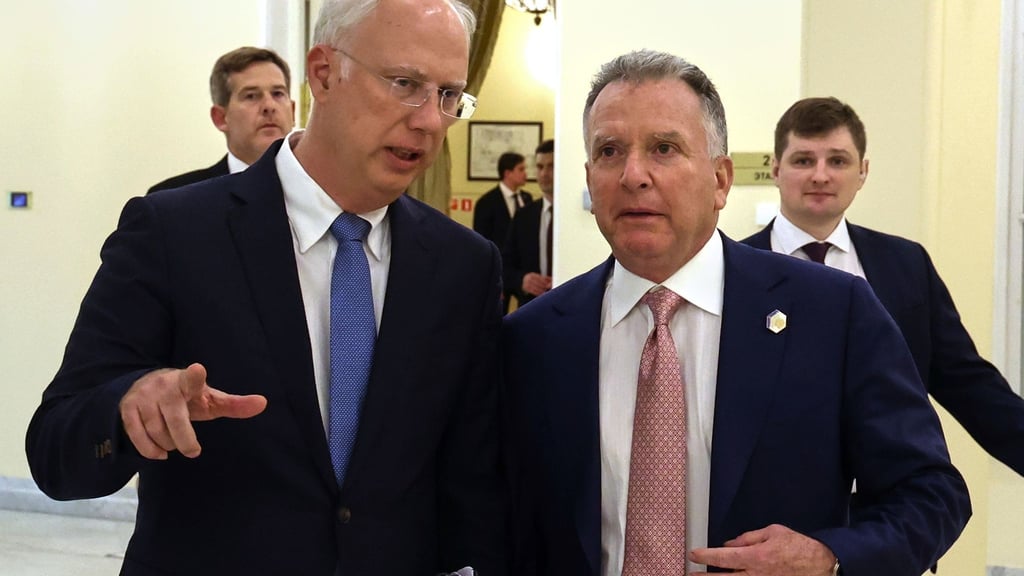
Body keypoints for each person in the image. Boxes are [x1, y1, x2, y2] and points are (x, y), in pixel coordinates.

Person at [26, 1, 506, 575]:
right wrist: (128, 408)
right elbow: (57, 450)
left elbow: (472, 485)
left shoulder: (464, 267)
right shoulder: (173, 233)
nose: (430, 120)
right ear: (324, 73)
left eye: (450, 95)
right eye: (405, 84)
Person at [503, 49, 970, 576]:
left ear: (721, 180)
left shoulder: (834, 313)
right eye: (610, 151)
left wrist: (829, 557)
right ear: (589, 178)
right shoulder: (533, 339)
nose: (634, 174)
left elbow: (933, 494)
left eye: (664, 148)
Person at [742, 96, 1024, 476]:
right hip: (773, 503)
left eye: (838, 161)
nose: (820, 175)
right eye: (803, 160)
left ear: (863, 172)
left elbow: (968, 384)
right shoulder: (736, 272)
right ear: (776, 169)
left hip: (889, 500)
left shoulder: (906, 266)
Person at [148, 46, 296, 194]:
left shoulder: (314, 186)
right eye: (251, 96)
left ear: (293, 111)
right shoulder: (171, 200)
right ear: (220, 118)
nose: (269, 106)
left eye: (278, 94)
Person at [474, 152, 534, 312]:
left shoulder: (527, 198)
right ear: (508, 173)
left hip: (522, 273)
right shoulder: (487, 202)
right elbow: (481, 243)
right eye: (521, 169)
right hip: (498, 272)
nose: (525, 174)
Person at [503, 139, 554, 309]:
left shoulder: (579, 217)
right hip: (531, 307)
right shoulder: (524, 216)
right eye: (540, 167)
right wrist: (522, 280)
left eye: (551, 166)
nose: (544, 174)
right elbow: (505, 266)